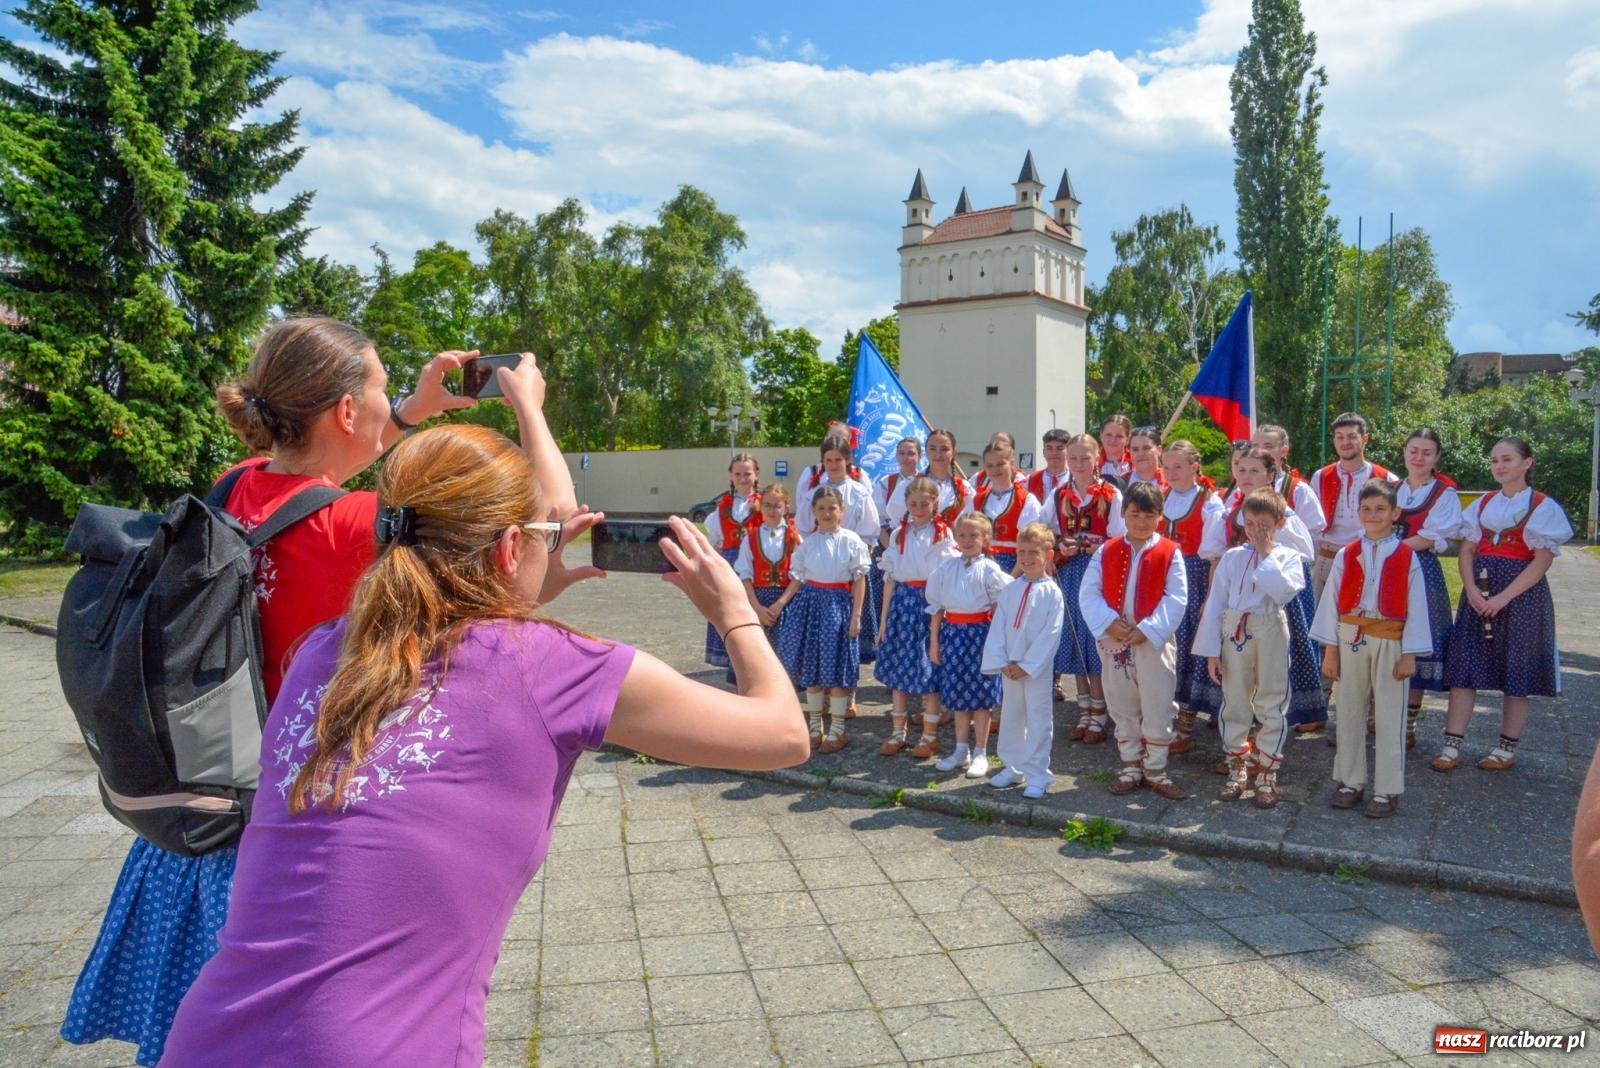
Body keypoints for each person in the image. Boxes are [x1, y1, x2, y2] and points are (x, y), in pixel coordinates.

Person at [160, 423, 809, 1066]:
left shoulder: (324, 651)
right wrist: (735, 612)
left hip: (209, 1037)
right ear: (509, 547)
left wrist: (520, 580)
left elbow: (459, 638)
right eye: (543, 536)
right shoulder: (547, 667)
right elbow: (782, 734)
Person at [59, 318, 549, 1066]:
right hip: (284, 832)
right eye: (382, 390)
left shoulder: (233, 487)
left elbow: (316, 477)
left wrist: (411, 410)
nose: (389, 404)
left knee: (197, 1040)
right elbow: (531, 530)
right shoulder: (358, 529)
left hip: (198, 809)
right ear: (348, 411)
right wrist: (529, 411)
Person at [1433, 437, 1573, 774]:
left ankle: (1505, 748)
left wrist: (1504, 597)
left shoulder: (1542, 506)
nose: (1499, 466)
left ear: (1527, 463)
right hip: (1479, 595)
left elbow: (1542, 560)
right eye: (1495, 460)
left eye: (1506, 459)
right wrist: (1471, 591)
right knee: (1464, 665)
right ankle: (1451, 746)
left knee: (1517, 669)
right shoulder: (1482, 504)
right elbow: (1467, 550)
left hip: (1522, 597)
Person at [1310, 479, 1432, 819]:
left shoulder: (1407, 556)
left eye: (1380, 509)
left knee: (1391, 714)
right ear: (1358, 513)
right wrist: (1331, 650)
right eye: (1366, 509)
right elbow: (1331, 603)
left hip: (1391, 639)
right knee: (1349, 711)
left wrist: (1410, 653)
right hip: (1351, 637)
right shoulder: (1347, 553)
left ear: (1395, 513)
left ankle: (1387, 789)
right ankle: (1350, 781)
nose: (1373, 515)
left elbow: (1417, 606)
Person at [1197, 446, 1324, 749]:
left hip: (1277, 603)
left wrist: (1268, 549)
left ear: (1270, 475)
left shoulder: (1282, 512)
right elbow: (1217, 556)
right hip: (1238, 602)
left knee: (1273, 679)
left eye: (1254, 470)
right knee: (1238, 679)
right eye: (1241, 469)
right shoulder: (1230, 508)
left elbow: (1304, 554)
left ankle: (1268, 745)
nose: (1246, 475)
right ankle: (1239, 746)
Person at [1192, 488, 1307, 806]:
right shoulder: (1232, 557)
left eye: (1264, 524)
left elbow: (1284, 593)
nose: (1255, 530)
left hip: (1270, 627)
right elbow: (1216, 603)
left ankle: (1267, 773)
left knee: (1272, 700)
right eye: (1251, 523)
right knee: (1235, 699)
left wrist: (1266, 552)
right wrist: (1212, 651)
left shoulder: (1288, 557)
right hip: (1236, 628)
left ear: (1280, 523)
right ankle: (1237, 766)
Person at [1080, 482, 1190, 799]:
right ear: (1124, 514)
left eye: (1149, 515)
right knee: (1121, 702)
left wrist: (1149, 630)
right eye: (1135, 514)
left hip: (1153, 643)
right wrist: (1108, 623)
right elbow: (1089, 592)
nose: (1141, 522)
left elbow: (1176, 598)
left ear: (1160, 516)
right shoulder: (1107, 550)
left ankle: (1155, 769)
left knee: (1158, 702)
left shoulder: (1170, 551)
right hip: (1115, 640)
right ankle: (1130, 765)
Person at [776, 486, 871, 752]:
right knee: (813, 669)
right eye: (821, 508)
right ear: (814, 512)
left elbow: (859, 580)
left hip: (838, 608)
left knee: (837, 670)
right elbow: (798, 578)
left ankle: (837, 730)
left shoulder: (852, 541)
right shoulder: (808, 543)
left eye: (832, 508)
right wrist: (782, 603)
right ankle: (815, 727)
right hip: (810, 608)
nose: (827, 513)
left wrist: (856, 616)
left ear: (842, 511)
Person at [1047, 433, 1126, 742]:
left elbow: (1119, 538)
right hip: (1069, 571)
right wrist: (1058, 545)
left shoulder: (1110, 494)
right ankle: (1084, 709)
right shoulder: (1059, 494)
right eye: (1073, 458)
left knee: (1095, 637)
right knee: (1074, 636)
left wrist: (1098, 548)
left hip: (1098, 572)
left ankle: (1100, 711)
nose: (1078, 464)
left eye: (1085, 457)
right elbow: (1045, 530)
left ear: (1097, 459)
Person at [876, 477, 959, 756]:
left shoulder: (942, 534)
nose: (919, 509)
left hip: (930, 605)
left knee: (930, 669)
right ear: (906, 504)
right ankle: (897, 732)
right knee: (899, 669)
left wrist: (942, 614)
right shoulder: (899, 535)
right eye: (913, 504)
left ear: (935, 503)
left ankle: (929, 735)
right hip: (902, 604)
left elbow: (946, 578)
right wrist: (884, 619)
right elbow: (890, 579)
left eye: (925, 504)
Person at [983, 523, 1066, 799]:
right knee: (1012, 715)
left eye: (1034, 552)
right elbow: (999, 625)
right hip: (1009, 665)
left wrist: (1027, 665)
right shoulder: (1010, 589)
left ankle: (1038, 774)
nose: (1027, 558)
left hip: (1034, 669)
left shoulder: (1052, 592)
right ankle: (1013, 766)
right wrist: (1001, 660)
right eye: (1022, 552)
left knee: (1038, 718)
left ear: (1048, 555)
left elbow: (1051, 634)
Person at [1394, 429, 1464, 746]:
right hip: (1385, 571)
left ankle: (1407, 725)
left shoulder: (1444, 493)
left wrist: (1385, 549)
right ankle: (1379, 716)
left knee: (1417, 644)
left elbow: (1428, 537)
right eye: (1413, 450)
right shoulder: (1391, 488)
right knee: (1385, 640)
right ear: (1404, 452)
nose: (1419, 457)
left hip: (1419, 571)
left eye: (1426, 452)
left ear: (1437, 457)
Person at [927, 512, 1011, 777]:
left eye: (973, 535)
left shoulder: (990, 570)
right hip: (952, 635)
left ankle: (980, 752)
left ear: (985, 538)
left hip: (980, 635)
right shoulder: (946, 569)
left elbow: (999, 609)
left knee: (981, 697)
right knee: (958, 695)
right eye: (962, 535)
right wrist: (934, 642)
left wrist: (998, 643)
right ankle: (960, 750)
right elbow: (937, 609)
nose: (967, 540)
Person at [1159, 440, 1225, 755]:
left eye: (1178, 467)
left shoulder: (1210, 503)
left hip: (1194, 579)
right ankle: (1164, 718)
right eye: (1166, 467)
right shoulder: (1160, 497)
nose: (1171, 473)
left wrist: (1210, 598)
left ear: (1195, 466)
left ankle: (1185, 725)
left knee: (1191, 651)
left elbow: (1215, 557)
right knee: (1167, 648)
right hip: (1163, 581)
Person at [1310, 412, 1397, 599]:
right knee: (1322, 613)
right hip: (1328, 557)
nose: (1345, 442)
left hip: (1369, 557)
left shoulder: (1386, 478)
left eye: (1351, 436)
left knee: (1365, 611)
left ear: (1364, 439)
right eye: (1339, 437)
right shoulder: (1321, 477)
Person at [703, 453, 762, 675]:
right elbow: (715, 542)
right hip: (729, 564)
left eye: (747, 473)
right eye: (738, 474)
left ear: (756, 474)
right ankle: (734, 665)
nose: (743, 478)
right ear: (731, 475)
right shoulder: (723, 507)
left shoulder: (765, 503)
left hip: (756, 564)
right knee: (729, 610)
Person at [734, 482, 801, 661]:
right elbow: (745, 575)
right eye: (767, 505)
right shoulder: (751, 537)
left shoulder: (794, 537)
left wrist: (780, 604)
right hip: (757, 599)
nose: (772, 510)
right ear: (761, 506)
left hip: (786, 602)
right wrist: (757, 608)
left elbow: (799, 576)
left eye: (777, 506)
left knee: (784, 655)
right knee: (756, 654)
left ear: (786, 507)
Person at [968, 442, 1044, 573]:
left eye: (1000, 464)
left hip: (1016, 566)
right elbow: (962, 532)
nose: (995, 470)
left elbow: (1032, 542)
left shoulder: (1025, 499)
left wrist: (1012, 578)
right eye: (990, 466)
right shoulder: (977, 500)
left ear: (1012, 463)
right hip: (980, 566)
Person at [1253, 423, 1327, 535]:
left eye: (1268, 447)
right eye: (1255, 446)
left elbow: (1313, 532)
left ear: (1283, 451)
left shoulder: (1298, 490)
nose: (1260, 452)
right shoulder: (1242, 488)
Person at [1026, 428, 1072, 508]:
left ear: (1069, 452)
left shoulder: (1075, 481)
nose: (1054, 453)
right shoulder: (1029, 480)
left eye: (1059, 448)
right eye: (1049, 448)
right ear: (1044, 452)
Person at [1098, 414, 1134, 486]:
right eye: (1108, 435)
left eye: (1119, 436)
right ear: (1101, 435)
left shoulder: (1136, 462)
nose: (1113, 440)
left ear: (1127, 439)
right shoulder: (1091, 464)